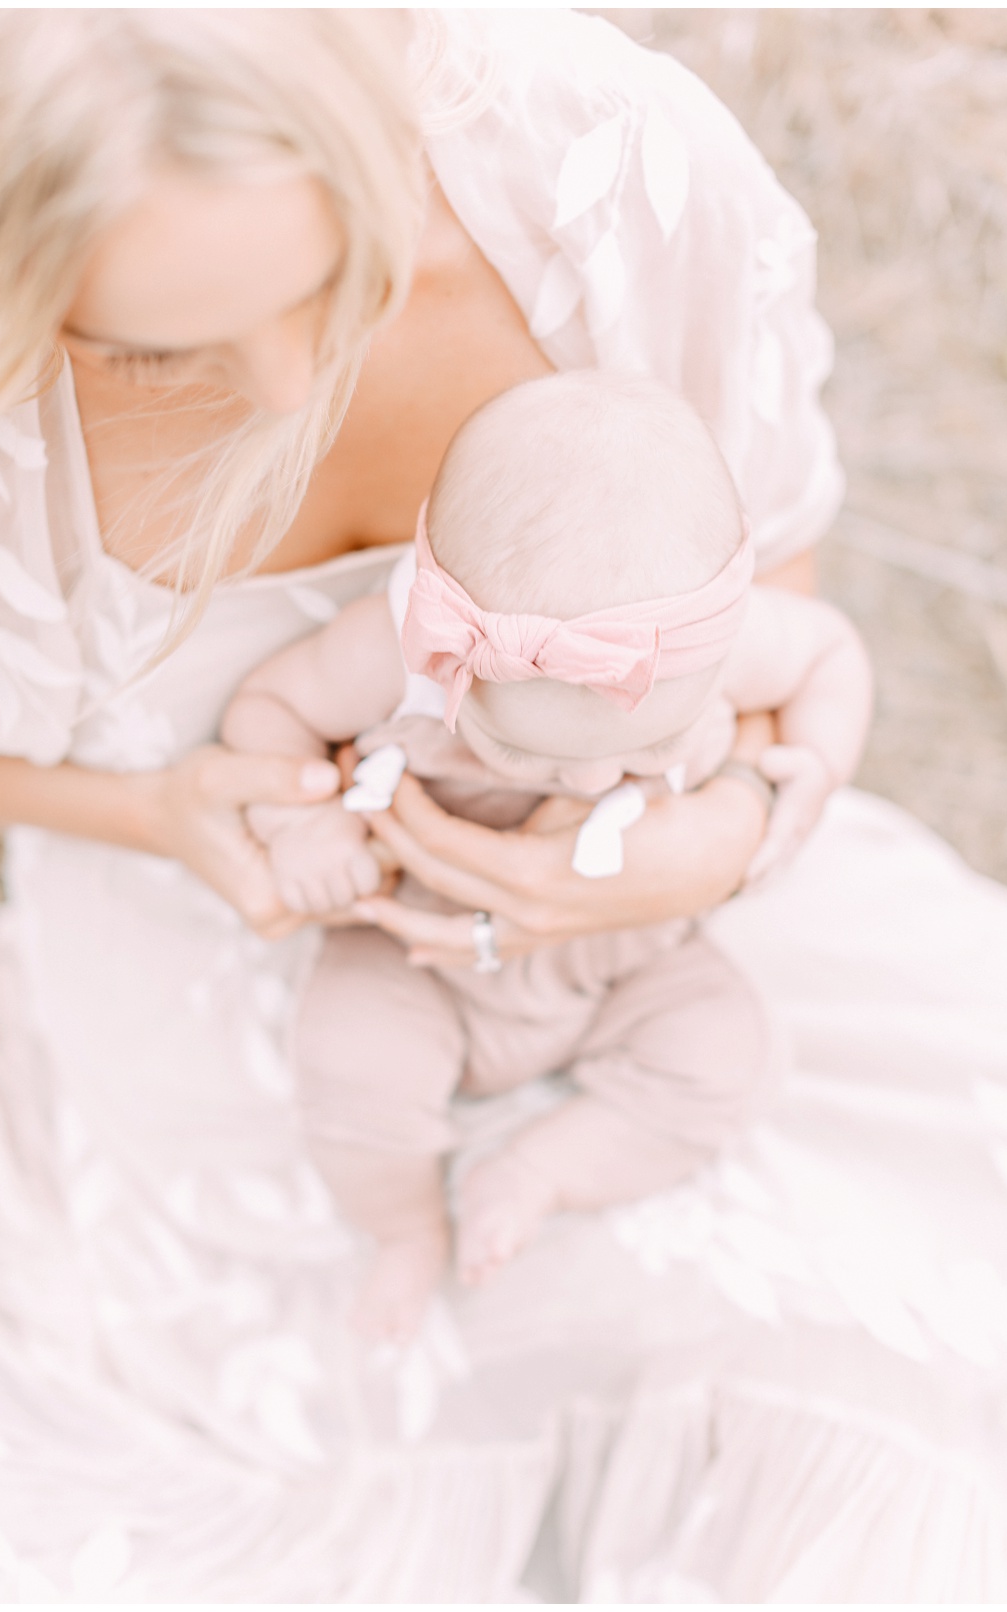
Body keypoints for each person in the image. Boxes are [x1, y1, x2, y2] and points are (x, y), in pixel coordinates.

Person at [0, 10, 1007, 1603]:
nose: (289, 383)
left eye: (337, 264)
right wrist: (166, 818)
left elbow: (752, 579)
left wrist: (734, 829)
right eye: (141, 346)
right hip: (215, 994)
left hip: (652, 933)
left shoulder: (602, 169)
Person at [221, 370, 873, 1341]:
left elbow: (832, 656)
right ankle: (403, 1228)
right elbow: (266, 711)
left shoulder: (707, 645)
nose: (593, 782)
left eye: (651, 745)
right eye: (528, 753)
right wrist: (303, 825)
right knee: (350, 1072)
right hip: (418, 953)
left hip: (633, 950)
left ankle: (543, 1169)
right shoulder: (396, 652)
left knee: (728, 1060)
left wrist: (812, 770)